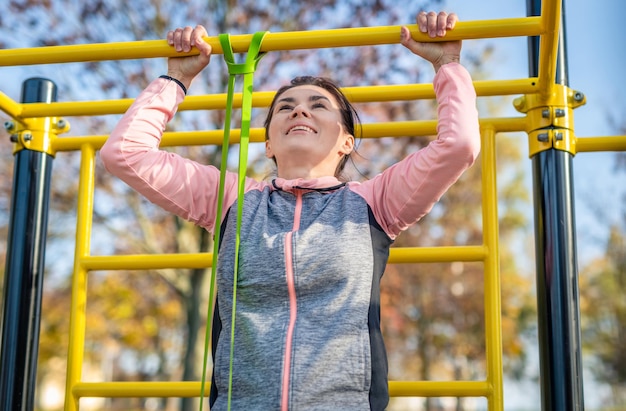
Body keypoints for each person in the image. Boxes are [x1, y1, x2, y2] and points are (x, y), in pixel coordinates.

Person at [100, 10, 480, 411]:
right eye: (285, 108)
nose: (300, 111)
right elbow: (124, 153)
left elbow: (458, 146)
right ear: (268, 145)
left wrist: (446, 66)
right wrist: (177, 78)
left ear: (346, 142)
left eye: (318, 105)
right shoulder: (230, 200)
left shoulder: (375, 201)